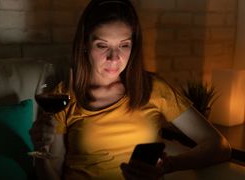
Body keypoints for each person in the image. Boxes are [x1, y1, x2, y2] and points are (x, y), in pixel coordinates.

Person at [30, 0, 231, 179]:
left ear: (133, 46)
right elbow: (52, 174)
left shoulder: (154, 89)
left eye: (124, 45)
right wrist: (41, 149)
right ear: (85, 44)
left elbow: (219, 146)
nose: (114, 58)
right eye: (102, 45)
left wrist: (169, 165)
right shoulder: (64, 95)